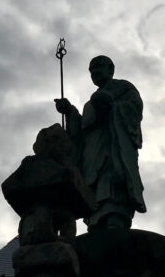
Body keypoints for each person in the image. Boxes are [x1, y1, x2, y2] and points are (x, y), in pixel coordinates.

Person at [55, 55, 146, 231]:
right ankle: (95, 223)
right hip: (92, 155)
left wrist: (111, 107)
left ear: (111, 69)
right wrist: (69, 111)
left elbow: (134, 109)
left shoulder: (123, 88)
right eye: (91, 70)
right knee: (94, 192)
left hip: (113, 148)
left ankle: (115, 220)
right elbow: (81, 132)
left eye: (98, 66)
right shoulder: (90, 103)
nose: (94, 72)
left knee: (112, 185)